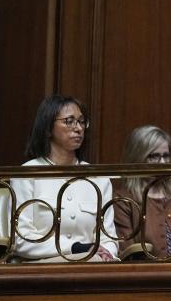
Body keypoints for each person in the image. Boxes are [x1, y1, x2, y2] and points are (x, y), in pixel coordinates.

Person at [11, 95, 118, 261]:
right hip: (41, 265)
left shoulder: (98, 177)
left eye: (82, 122)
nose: (79, 128)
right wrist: (74, 248)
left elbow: (109, 237)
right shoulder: (27, 174)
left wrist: (108, 253)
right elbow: (21, 239)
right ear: (48, 128)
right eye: (69, 121)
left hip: (93, 263)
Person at [114, 125, 171, 259]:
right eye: (154, 156)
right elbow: (128, 252)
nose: (162, 162)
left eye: (166, 156)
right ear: (137, 158)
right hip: (145, 276)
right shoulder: (123, 200)